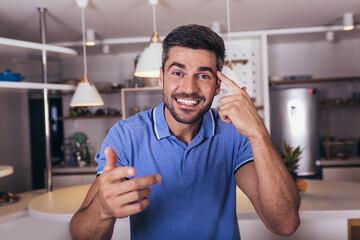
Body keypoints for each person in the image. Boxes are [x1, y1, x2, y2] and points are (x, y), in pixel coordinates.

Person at [70, 24, 300, 240]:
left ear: (217, 86)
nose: (189, 89)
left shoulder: (234, 134)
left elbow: (285, 223)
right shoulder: (126, 136)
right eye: (178, 73)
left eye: (203, 76)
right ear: (161, 77)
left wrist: (258, 132)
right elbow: (81, 234)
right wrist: (102, 209)